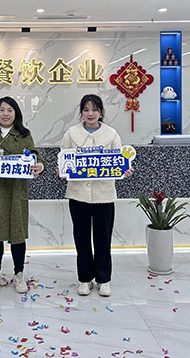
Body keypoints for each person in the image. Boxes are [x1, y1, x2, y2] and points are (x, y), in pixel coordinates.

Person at [61, 94, 131, 298]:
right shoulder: (71, 134)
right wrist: (63, 168)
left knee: (103, 239)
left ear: (101, 112)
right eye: (86, 109)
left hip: (104, 196)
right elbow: (64, 158)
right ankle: (84, 279)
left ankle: (103, 279)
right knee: (81, 238)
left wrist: (124, 168)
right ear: (81, 112)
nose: (90, 113)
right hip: (78, 195)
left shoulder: (112, 134)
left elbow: (119, 161)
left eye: (94, 109)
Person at [0, 96, 45, 295]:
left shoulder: (24, 134)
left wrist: (39, 165)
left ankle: (19, 274)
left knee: (17, 234)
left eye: (10, 110)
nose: (5, 114)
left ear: (16, 113)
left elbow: (36, 156)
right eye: (2, 110)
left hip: (16, 191)